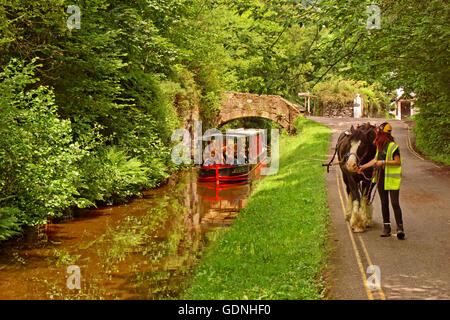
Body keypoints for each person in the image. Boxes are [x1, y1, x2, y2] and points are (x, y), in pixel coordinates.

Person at [358, 122, 405, 240]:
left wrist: (383, 163)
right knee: (384, 203)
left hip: (392, 179)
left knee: (394, 203)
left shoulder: (394, 147)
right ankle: (387, 228)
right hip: (381, 178)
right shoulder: (379, 147)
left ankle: (400, 228)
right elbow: (375, 160)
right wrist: (363, 167)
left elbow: (397, 162)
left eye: (379, 133)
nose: (377, 136)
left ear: (383, 134)